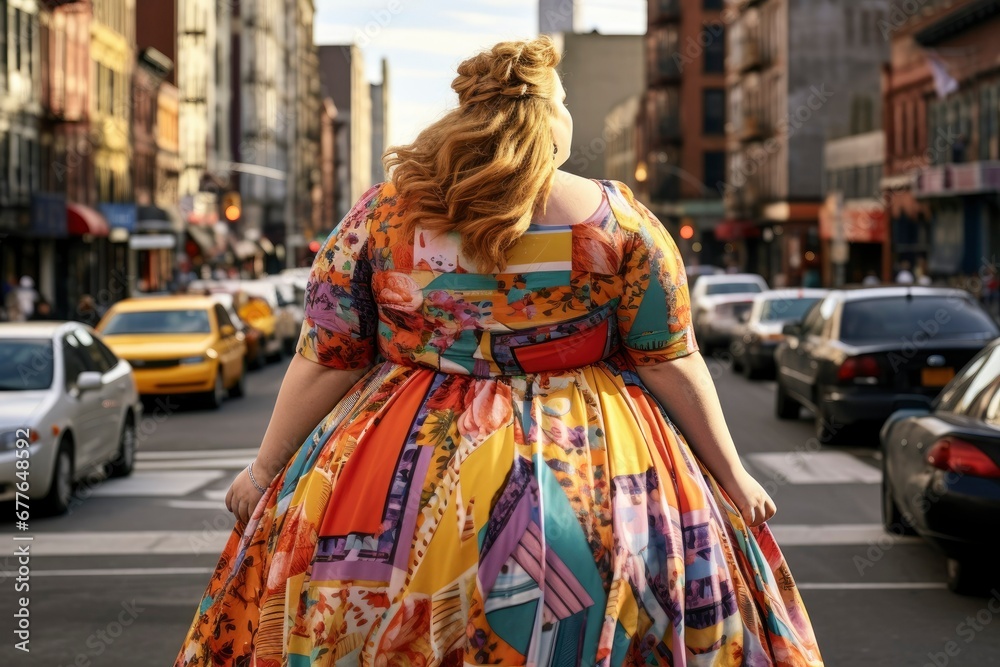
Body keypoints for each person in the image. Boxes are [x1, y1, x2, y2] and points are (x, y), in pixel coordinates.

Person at [175, 37, 824, 666]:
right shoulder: (618, 222)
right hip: (594, 474)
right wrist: (733, 475)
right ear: (548, 117)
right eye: (563, 99)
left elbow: (327, 356)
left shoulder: (382, 219)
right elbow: (669, 359)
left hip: (403, 476)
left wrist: (263, 474)